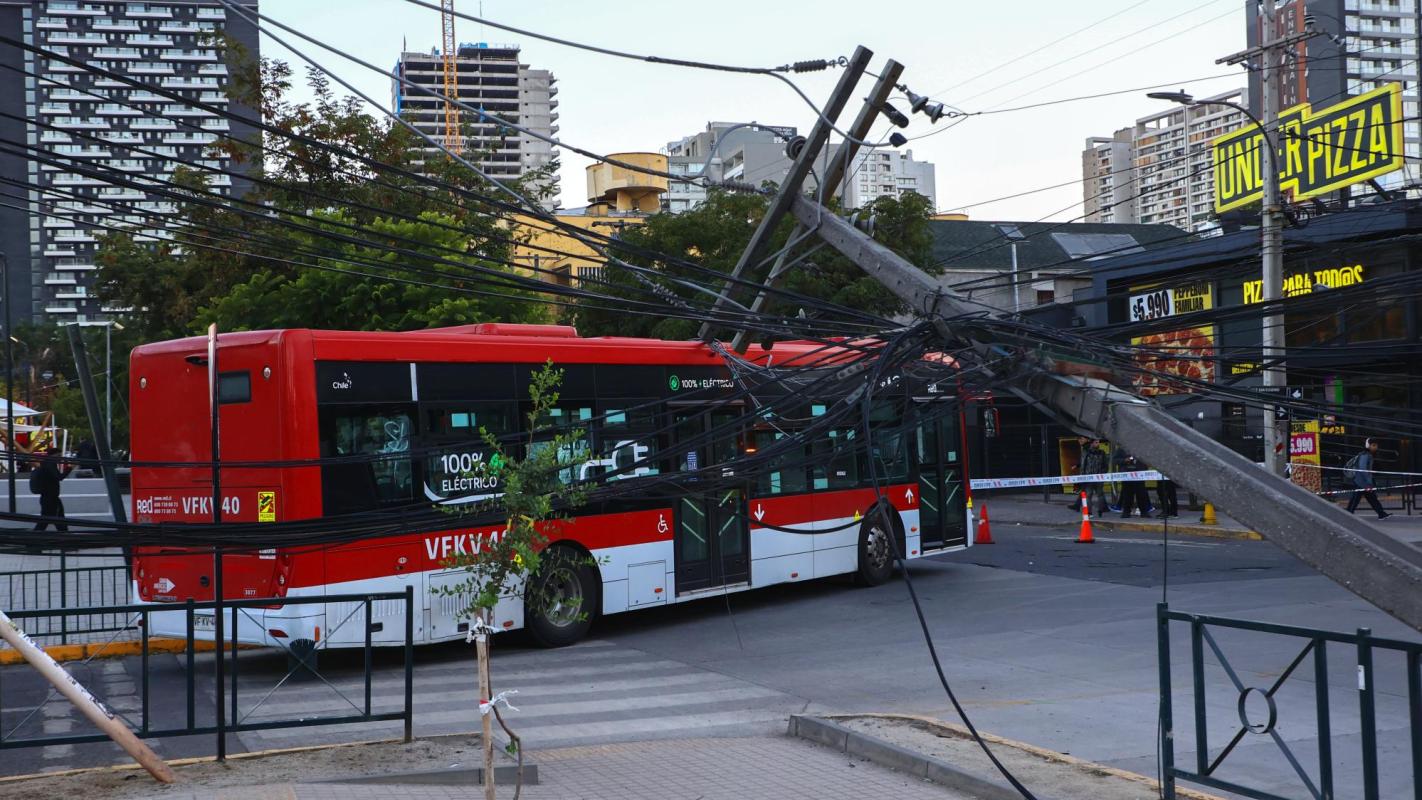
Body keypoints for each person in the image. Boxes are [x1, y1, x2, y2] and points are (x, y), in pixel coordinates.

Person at [29, 447, 73, 533]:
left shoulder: (45, 463)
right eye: (59, 455)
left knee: (48, 519)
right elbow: (59, 477)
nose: (60, 458)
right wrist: (69, 468)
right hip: (51, 497)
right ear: (54, 455)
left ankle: (64, 535)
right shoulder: (50, 464)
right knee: (55, 519)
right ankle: (64, 535)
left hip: (48, 497)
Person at [1345, 438, 1390, 520]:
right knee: (1356, 499)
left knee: (1371, 498)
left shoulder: (1367, 454)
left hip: (1361, 481)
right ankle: (1348, 514)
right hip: (1361, 482)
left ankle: (1381, 514)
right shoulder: (1365, 455)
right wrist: (1369, 482)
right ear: (1368, 446)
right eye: (1373, 445)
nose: (1376, 447)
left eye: (1376, 445)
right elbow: (1363, 469)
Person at [1074, 436, 1108, 517]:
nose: (1098, 444)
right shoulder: (1087, 452)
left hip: (1098, 478)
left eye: (1098, 442)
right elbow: (1083, 464)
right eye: (1096, 442)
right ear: (1092, 443)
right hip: (1088, 478)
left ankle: (1101, 510)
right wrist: (1082, 476)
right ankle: (1089, 512)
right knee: (1089, 495)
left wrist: (1102, 474)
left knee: (1099, 494)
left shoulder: (1102, 452)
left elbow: (1105, 465)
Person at [1117, 449, 1153, 518]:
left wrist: (1145, 467)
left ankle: (1144, 512)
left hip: (1140, 474)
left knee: (1141, 494)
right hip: (1127, 475)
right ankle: (1126, 512)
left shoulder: (1141, 448)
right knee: (1127, 495)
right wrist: (1124, 460)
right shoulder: (1122, 448)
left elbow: (1147, 458)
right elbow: (1115, 460)